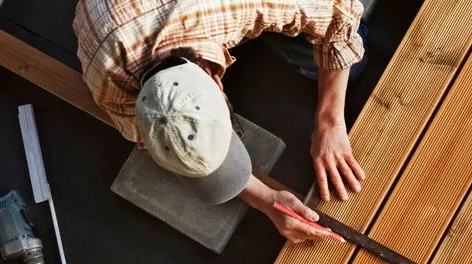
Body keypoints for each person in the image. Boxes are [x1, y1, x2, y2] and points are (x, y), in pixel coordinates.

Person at [74, 0, 371, 243]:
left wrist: (330, 123)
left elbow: (339, 16)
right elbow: (150, 138)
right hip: (113, 20)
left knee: (354, 54)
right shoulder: (107, 82)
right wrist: (266, 199)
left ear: (217, 80)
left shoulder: (234, 8)